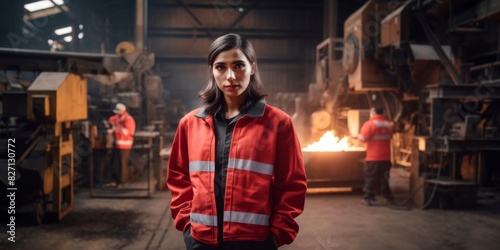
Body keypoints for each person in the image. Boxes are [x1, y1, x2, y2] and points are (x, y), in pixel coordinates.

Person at [167, 33, 307, 250]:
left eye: (239, 65)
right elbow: (179, 179)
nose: (230, 75)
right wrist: (187, 227)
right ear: (212, 71)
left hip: (255, 242)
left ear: (252, 67)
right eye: (220, 67)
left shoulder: (278, 123)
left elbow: (292, 184)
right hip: (201, 241)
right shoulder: (190, 124)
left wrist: (277, 236)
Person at [357, 104, 394, 206]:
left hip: (373, 157)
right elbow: (389, 137)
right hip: (386, 157)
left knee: (371, 177)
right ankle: (388, 197)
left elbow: (362, 139)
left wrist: (357, 136)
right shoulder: (388, 124)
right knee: (385, 177)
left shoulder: (369, 124)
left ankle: (368, 197)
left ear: (373, 112)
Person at [108, 103, 136, 187]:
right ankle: (115, 181)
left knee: (122, 164)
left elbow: (128, 132)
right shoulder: (118, 117)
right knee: (115, 163)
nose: (117, 114)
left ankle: (122, 182)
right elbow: (112, 119)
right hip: (117, 144)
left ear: (123, 111)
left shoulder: (129, 119)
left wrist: (115, 130)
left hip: (125, 145)